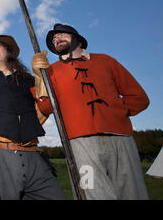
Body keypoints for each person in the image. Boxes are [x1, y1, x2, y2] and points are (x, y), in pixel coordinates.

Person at [32, 23, 150, 200]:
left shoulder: (105, 61)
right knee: (91, 192)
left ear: (78, 38)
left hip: (121, 138)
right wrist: (39, 79)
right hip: (80, 144)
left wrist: (116, 112)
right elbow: (46, 107)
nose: (57, 39)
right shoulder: (51, 72)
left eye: (62, 34)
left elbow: (139, 98)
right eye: (54, 39)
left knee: (132, 192)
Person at [0, 33, 66, 200]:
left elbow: (43, 111)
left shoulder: (28, 79)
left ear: (8, 51)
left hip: (34, 155)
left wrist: (41, 78)